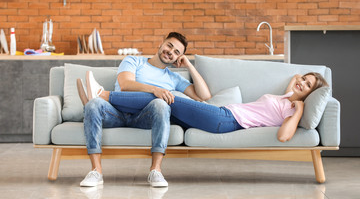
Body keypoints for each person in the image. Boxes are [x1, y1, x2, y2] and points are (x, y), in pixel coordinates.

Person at [76, 32, 211, 188]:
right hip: (116, 112)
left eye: (176, 53)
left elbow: (204, 96)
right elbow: (125, 85)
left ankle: (156, 170)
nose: (170, 52)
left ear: (177, 59)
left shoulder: (174, 78)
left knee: (161, 104)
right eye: (169, 46)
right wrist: (155, 90)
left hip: (144, 118)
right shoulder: (134, 61)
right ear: (161, 43)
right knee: (93, 104)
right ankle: (96, 171)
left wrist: (189, 65)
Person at [81, 72, 328, 145]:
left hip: (225, 119)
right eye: (303, 78)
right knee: (161, 107)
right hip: (222, 116)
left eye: (307, 85)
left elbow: (284, 136)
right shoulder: (286, 95)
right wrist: (300, 84)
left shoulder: (292, 108)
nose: (301, 82)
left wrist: (299, 108)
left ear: (308, 94)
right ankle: (105, 108)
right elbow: (295, 77)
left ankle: (103, 95)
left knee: (169, 97)